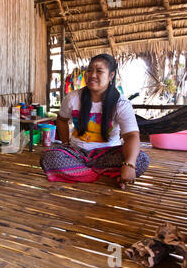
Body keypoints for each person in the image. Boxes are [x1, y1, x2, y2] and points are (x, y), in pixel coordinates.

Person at [40, 54, 149, 190]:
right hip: (77, 153)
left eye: (99, 71)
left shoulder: (121, 103)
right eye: (89, 70)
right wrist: (66, 143)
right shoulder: (73, 97)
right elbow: (61, 120)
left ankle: (81, 173)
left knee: (141, 159)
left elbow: (131, 135)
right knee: (49, 156)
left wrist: (129, 165)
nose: (92, 75)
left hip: (108, 154)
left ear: (111, 76)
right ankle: (105, 178)